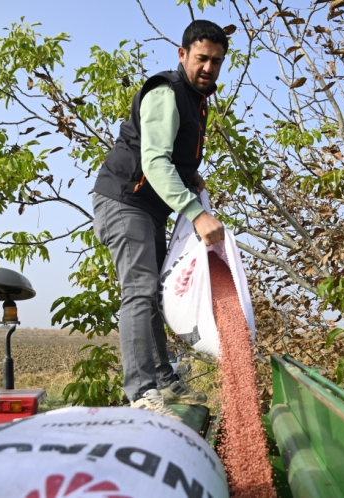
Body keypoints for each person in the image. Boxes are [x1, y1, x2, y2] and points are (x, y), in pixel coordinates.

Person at [92, 20, 227, 420]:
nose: (208, 68)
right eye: (201, 58)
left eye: (216, 62)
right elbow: (153, 160)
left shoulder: (196, 99)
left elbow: (174, 156)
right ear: (182, 54)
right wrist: (197, 214)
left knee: (153, 292)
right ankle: (141, 391)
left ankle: (164, 380)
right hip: (123, 200)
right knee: (139, 289)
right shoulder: (167, 92)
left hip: (149, 208)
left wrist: (192, 177)